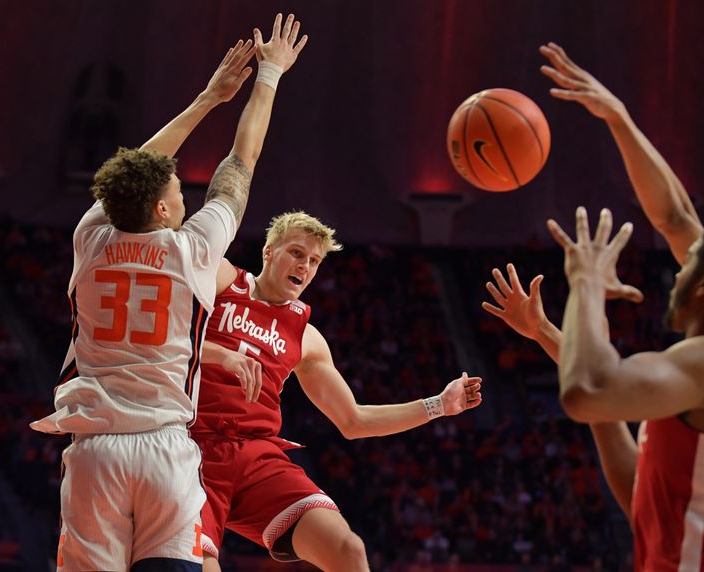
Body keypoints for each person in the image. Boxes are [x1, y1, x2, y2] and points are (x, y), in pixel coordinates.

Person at [30, 13, 304, 569]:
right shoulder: (193, 251)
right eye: (178, 188)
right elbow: (240, 162)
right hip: (164, 448)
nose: (184, 190)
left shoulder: (92, 238)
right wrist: (268, 75)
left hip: (95, 452)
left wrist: (206, 99)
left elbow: (132, 171)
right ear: (161, 208)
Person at [482, 43, 704, 571]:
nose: (678, 265)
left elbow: (588, 392)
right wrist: (618, 117)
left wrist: (585, 284)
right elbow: (676, 217)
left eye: (690, 263)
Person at [193, 210, 483, 572]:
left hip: (256, 455)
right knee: (199, 566)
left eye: (314, 260)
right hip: (191, 448)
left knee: (348, 549)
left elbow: (353, 419)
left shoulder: (306, 337)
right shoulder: (221, 279)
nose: (305, 266)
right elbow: (159, 336)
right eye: (296, 253)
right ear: (269, 252)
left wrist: (438, 405)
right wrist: (221, 354)